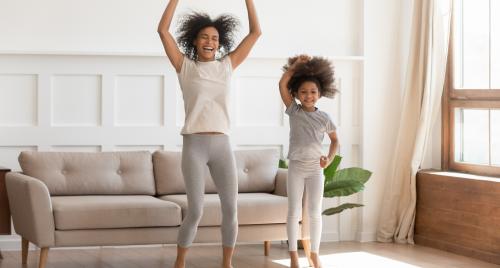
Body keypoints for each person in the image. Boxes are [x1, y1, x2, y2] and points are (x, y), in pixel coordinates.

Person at [157, 1, 261, 268]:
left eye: (215, 38)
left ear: (219, 43)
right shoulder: (185, 66)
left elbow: (255, 33)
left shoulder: (227, 65)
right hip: (194, 145)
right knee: (196, 211)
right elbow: (162, 31)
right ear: (195, 40)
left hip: (222, 145)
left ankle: (227, 264)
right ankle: (179, 262)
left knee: (231, 209)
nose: (210, 41)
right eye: (204, 36)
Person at [279, 55, 339, 268]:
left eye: (313, 92)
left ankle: (314, 254)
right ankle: (294, 255)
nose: (308, 96)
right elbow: (282, 84)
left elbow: (335, 142)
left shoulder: (325, 118)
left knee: (314, 212)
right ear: (296, 94)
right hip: (296, 167)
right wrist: (295, 67)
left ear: (320, 94)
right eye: (303, 92)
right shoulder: (293, 111)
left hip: (315, 169)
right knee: (293, 211)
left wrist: (329, 159)